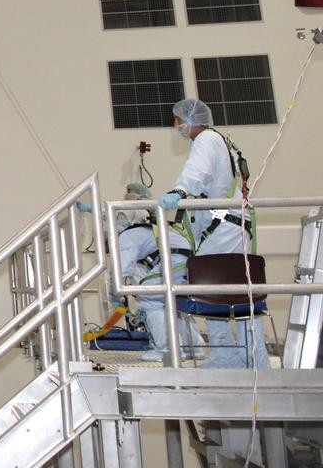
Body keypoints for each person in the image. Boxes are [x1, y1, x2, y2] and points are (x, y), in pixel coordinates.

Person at [158, 98, 270, 368]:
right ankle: (232, 358)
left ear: (191, 119)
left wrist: (180, 190)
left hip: (223, 229)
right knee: (224, 293)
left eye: (177, 119)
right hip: (223, 227)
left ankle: (249, 362)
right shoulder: (218, 140)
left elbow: (197, 171)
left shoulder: (206, 139)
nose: (176, 125)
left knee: (226, 293)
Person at [115, 181, 202, 361]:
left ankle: (167, 350)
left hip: (175, 259)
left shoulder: (128, 236)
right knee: (173, 301)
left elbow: (121, 272)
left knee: (149, 296)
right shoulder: (150, 226)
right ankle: (193, 347)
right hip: (189, 260)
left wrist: (114, 294)